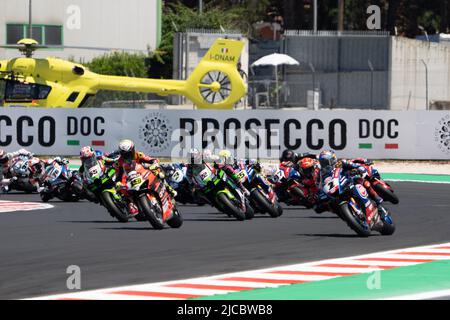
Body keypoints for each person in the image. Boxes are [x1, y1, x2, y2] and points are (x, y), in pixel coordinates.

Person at [315, 150, 383, 217]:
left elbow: (354, 165)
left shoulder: (341, 163)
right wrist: (318, 195)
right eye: (323, 163)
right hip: (336, 189)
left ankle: (377, 199)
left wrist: (358, 169)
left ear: (332, 160)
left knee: (364, 182)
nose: (325, 164)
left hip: (348, 181)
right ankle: (345, 212)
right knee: (323, 205)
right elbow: (318, 185)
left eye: (326, 162)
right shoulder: (321, 173)